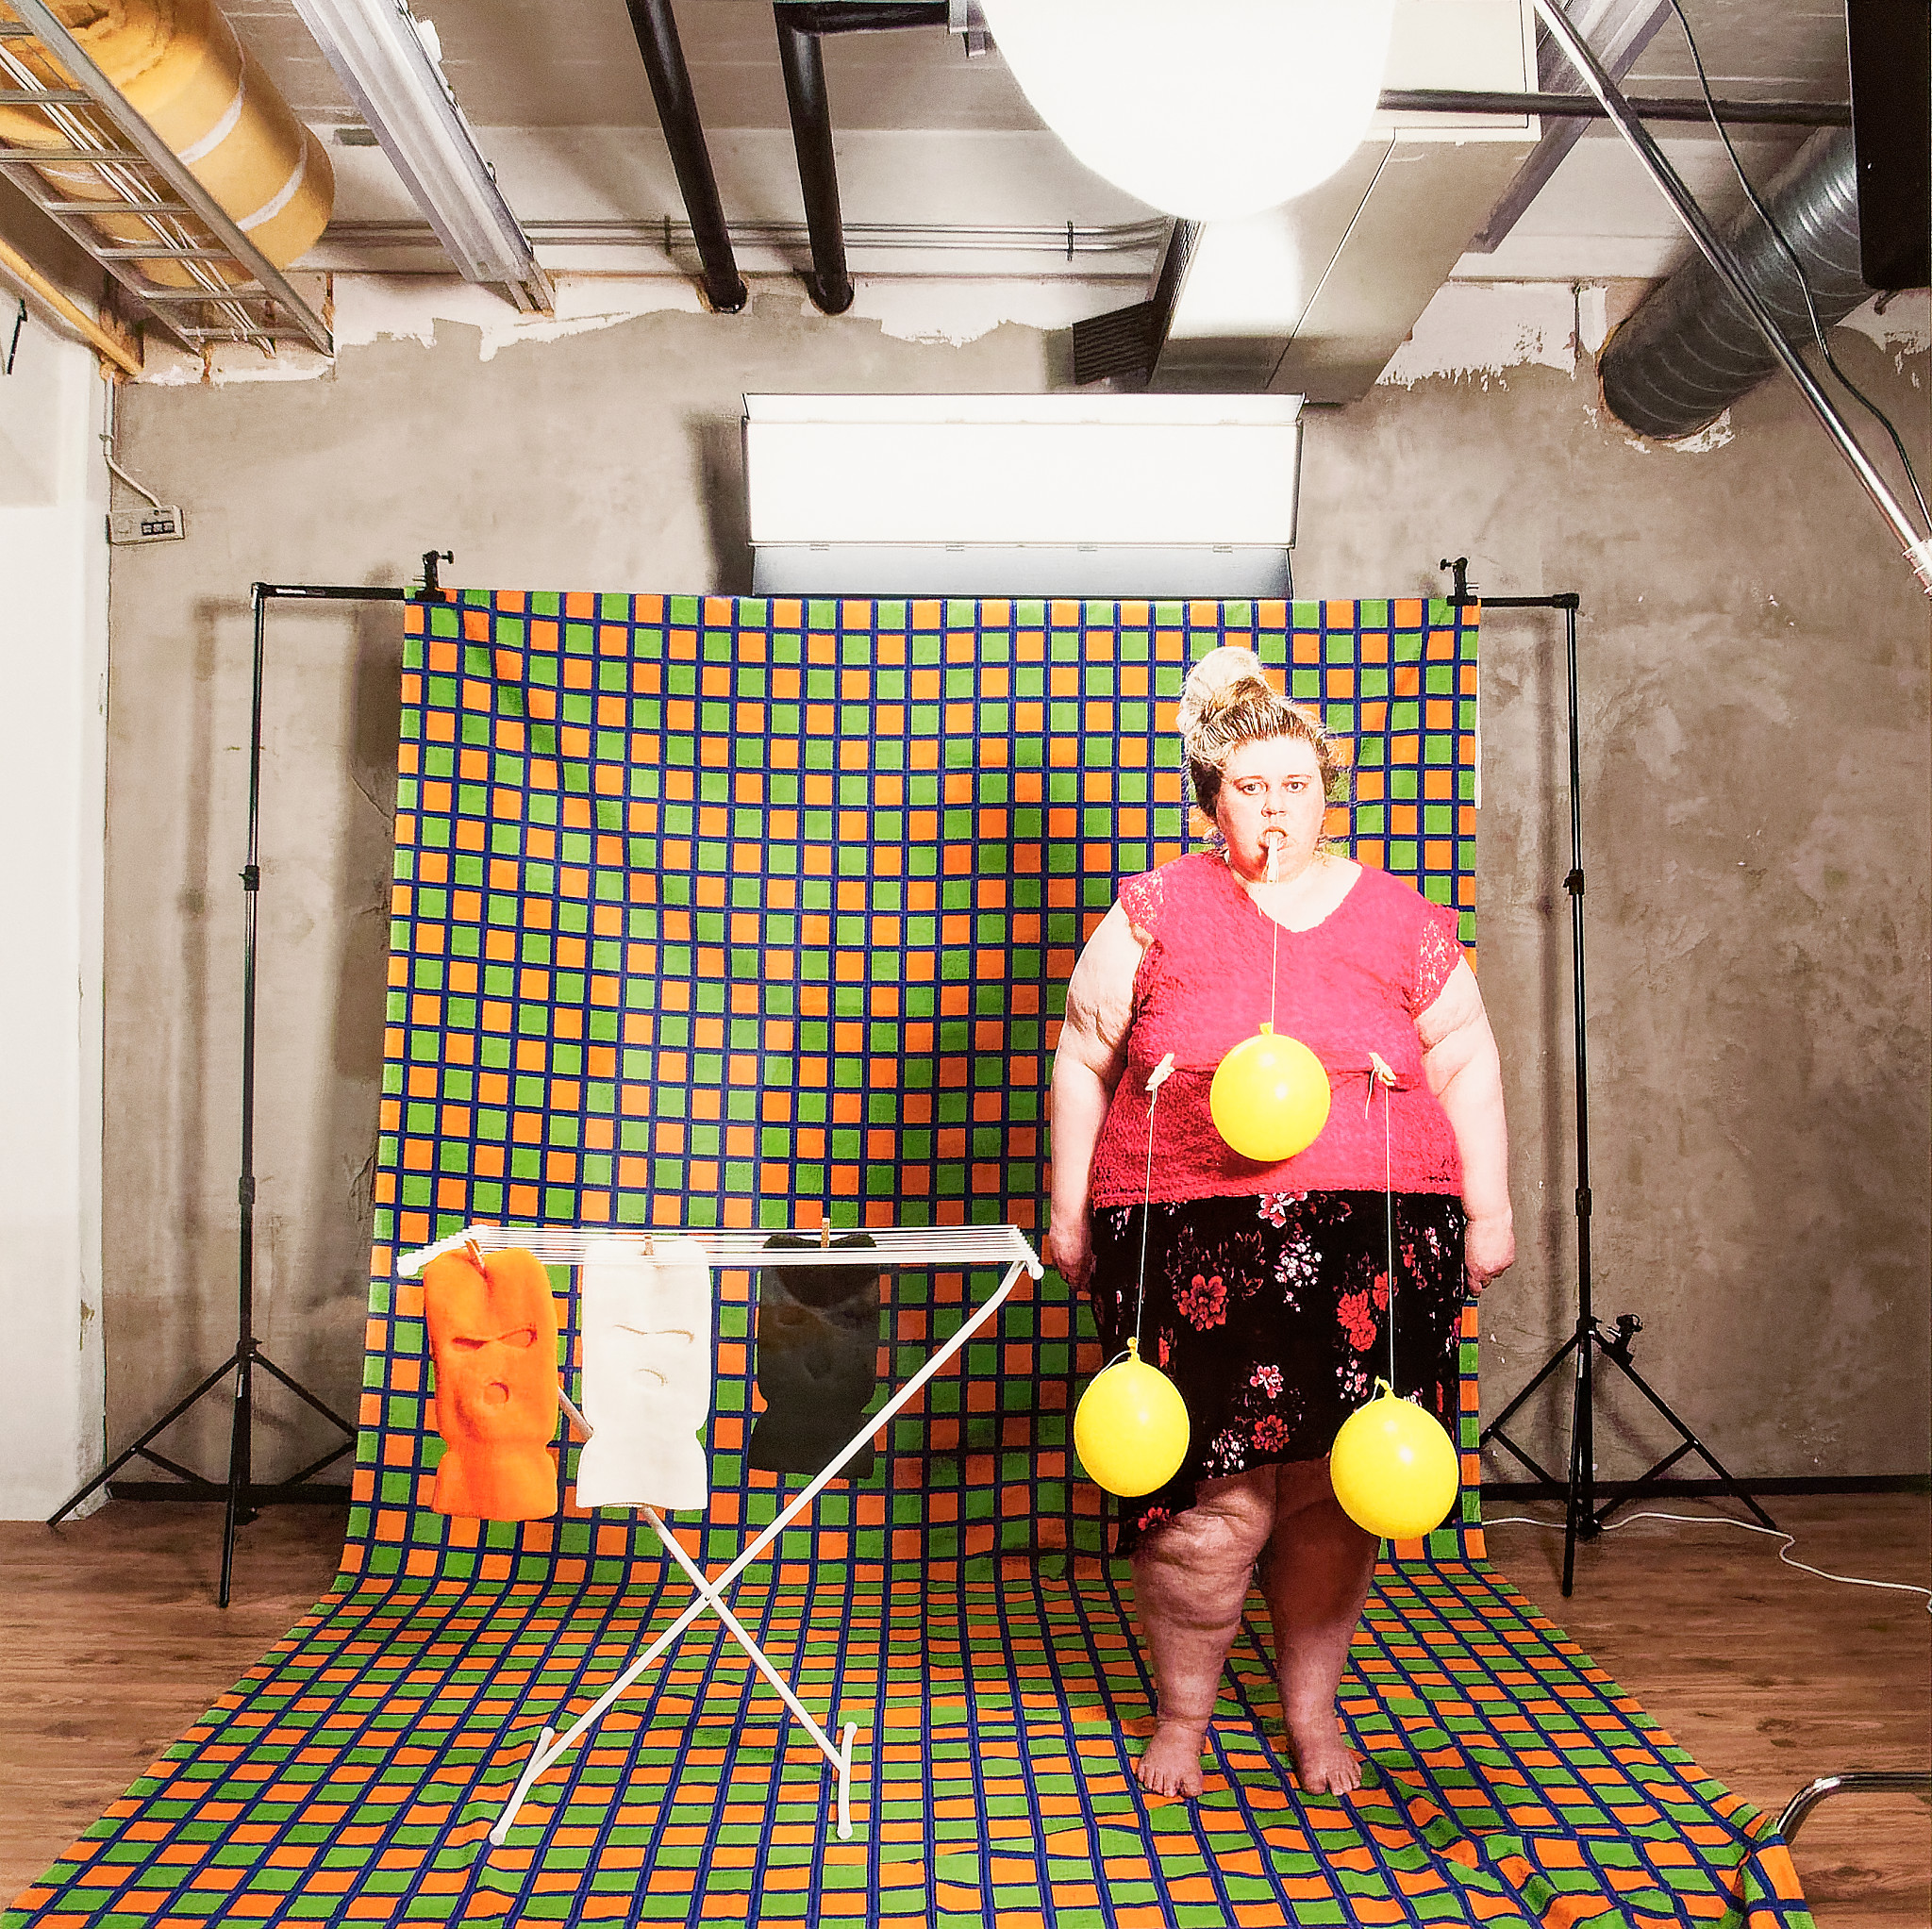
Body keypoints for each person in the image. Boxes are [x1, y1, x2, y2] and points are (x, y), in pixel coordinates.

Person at [1044, 646, 1513, 1800]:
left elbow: (1465, 1057)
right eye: (1249, 786)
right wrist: (1066, 1212)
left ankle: (1312, 1710)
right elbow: (1082, 1054)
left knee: (1330, 1491)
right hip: (1186, 1238)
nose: (1274, 807)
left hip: (1373, 1238)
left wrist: (1489, 1209)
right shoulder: (1151, 908)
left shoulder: (1402, 917)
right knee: (1207, 1506)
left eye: (1294, 784)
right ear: (1209, 799)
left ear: (1325, 793)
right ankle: (1183, 1713)